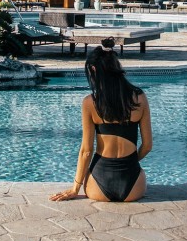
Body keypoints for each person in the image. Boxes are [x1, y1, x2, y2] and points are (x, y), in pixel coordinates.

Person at [49, 37, 152, 203]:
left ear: (94, 69)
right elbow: (147, 146)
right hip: (133, 186)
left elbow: (86, 151)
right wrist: (130, 163)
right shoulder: (140, 98)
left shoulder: (90, 103)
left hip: (98, 185)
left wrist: (75, 188)